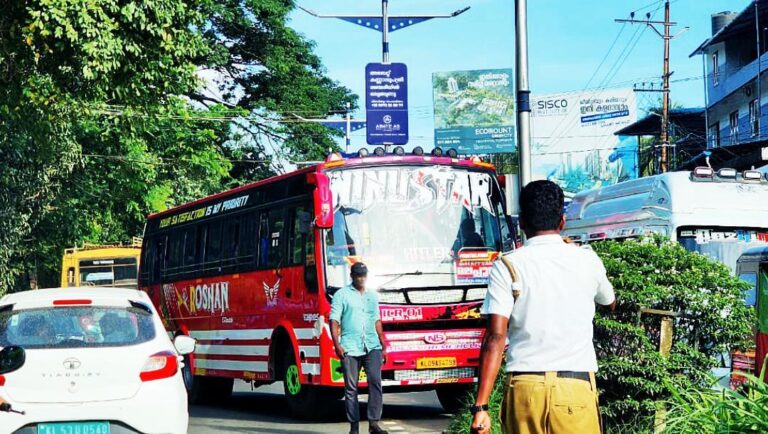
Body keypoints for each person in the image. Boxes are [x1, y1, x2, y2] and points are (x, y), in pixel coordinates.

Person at [470, 180, 617, 434]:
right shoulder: (587, 260)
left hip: (525, 388)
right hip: (575, 387)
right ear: (562, 222)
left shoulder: (507, 266)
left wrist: (481, 407)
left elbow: (495, 336)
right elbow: (610, 301)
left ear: (522, 222)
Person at [330, 262, 389, 434]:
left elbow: (376, 320)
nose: (361, 278)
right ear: (352, 276)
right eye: (358, 275)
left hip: (372, 346)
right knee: (351, 388)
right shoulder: (341, 295)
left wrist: (382, 342)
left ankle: (374, 424)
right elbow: (334, 320)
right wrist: (337, 344)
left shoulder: (372, 296)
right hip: (350, 347)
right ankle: (354, 427)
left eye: (363, 275)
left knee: (375, 383)